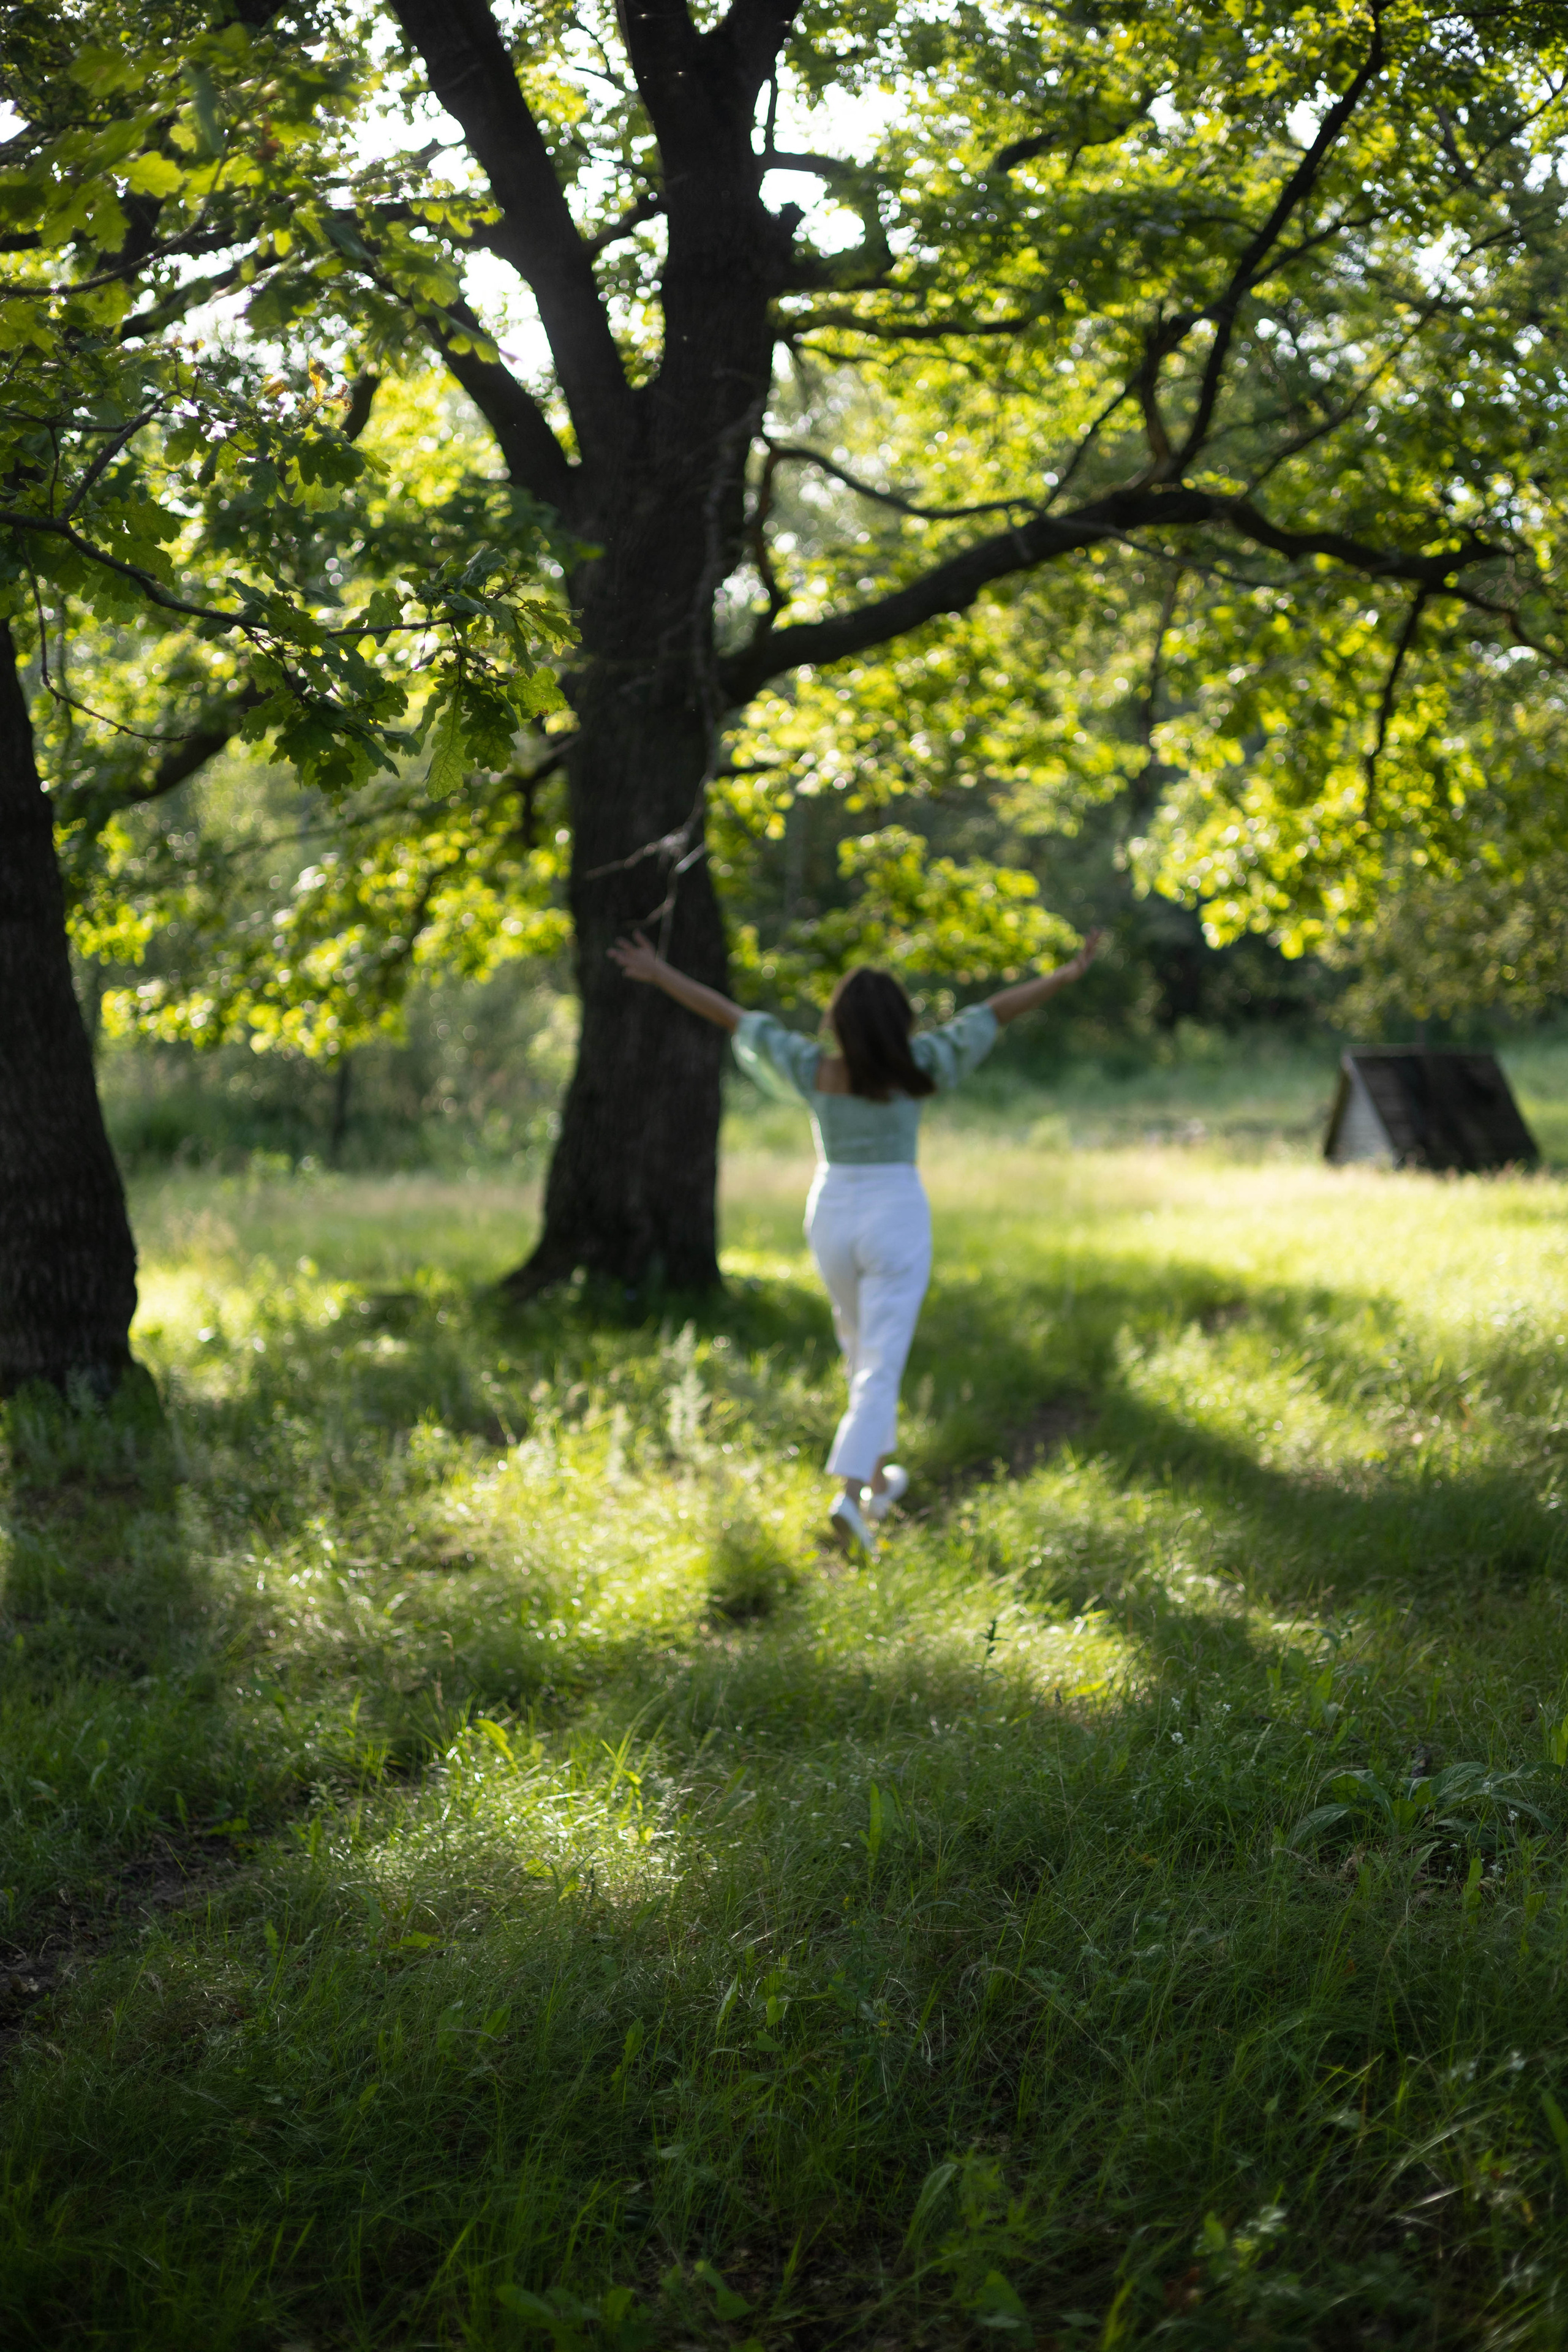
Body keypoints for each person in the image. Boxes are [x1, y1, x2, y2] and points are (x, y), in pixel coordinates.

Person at [608, 925, 1104, 1555]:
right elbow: (993, 1012)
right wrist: (1063, 977)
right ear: (900, 1021)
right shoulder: (920, 1065)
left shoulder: (814, 1068)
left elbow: (731, 1015)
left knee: (857, 1346)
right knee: (880, 1361)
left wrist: (659, 973)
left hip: (833, 1213)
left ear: (837, 1021)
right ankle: (847, 1494)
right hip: (895, 1211)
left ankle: (875, 1483)